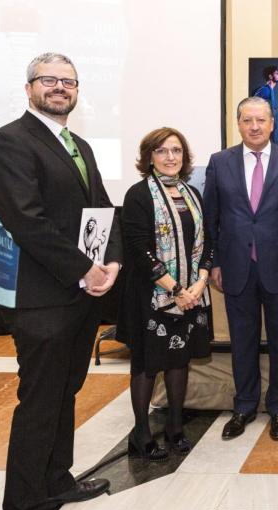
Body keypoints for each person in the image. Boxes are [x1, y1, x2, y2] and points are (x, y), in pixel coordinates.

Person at [0, 52, 119, 510]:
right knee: (38, 406)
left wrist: (114, 263)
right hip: (41, 298)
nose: (60, 88)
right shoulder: (7, 142)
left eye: (68, 81)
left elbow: (102, 208)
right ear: (29, 88)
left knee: (67, 391)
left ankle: (57, 480)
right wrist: (86, 269)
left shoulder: (78, 144)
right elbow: (28, 220)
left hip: (81, 296)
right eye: (50, 81)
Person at [204, 97, 278, 442]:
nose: (255, 126)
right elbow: (210, 218)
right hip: (235, 269)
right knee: (242, 342)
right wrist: (215, 262)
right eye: (248, 120)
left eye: (261, 120)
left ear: (272, 123)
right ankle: (244, 406)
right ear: (239, 124)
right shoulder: (220, 162)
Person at [117, 127, 213, 460]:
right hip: (151, 296)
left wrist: (198, 286)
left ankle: (174, 427)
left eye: (176, 151)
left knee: (179, 360)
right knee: (147, 364)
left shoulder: (192, 195)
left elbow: (206, 244)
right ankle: (141, 432)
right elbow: (138, 249)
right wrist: (175, 289)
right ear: (149, 157)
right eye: (162, 151)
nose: (170, 157)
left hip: (191, 295)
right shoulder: (138, 195)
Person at [252, 66, 278, 143]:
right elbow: (252, 105)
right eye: (276, 73)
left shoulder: (270, 90)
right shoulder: (265, 90)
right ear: (270, 76)